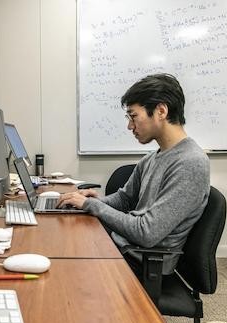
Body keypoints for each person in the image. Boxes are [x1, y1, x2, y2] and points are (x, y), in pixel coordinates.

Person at [57, 73, 210, 275]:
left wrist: (91, 206)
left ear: (161, 111)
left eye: (133, 116)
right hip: (127, 248)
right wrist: (96, 201)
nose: (130, 126)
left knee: (64, 269)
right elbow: (125, 199)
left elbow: (147, 233)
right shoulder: (153, 158)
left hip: (144, 262)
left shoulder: (190, 163)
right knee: (64, 244)